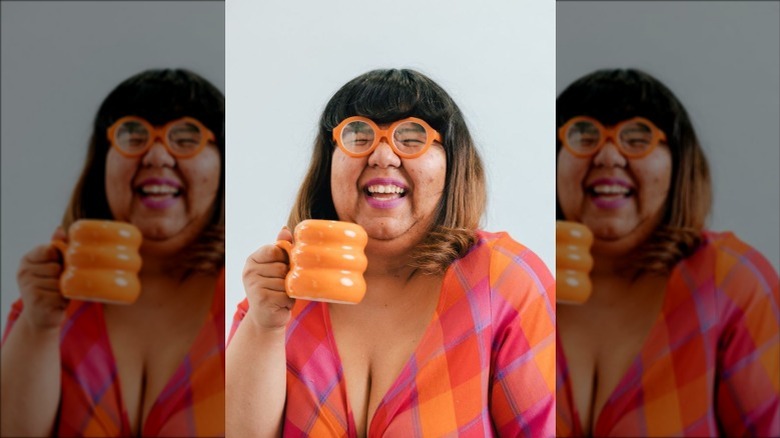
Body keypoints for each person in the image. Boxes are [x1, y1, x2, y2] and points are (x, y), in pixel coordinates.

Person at [227, 68, 555, 437]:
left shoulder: (506, 281)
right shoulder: (281, 291)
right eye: (358, 135)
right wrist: (263, 325)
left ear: (452, 162)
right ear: (329, 163)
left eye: (412, 138)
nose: (383, 156)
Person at [0, 69, 225, 437]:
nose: (156, 156)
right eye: (133, 136)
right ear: (102, 163)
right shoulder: (50, 296)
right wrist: (39, 326)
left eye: (186, 139)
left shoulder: (252, 299)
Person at [555, 68, 780, 437]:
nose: (608, 156)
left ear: (678, 163)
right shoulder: (519, 281)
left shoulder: (731, 281)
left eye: (637, 137)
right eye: (584, 135)